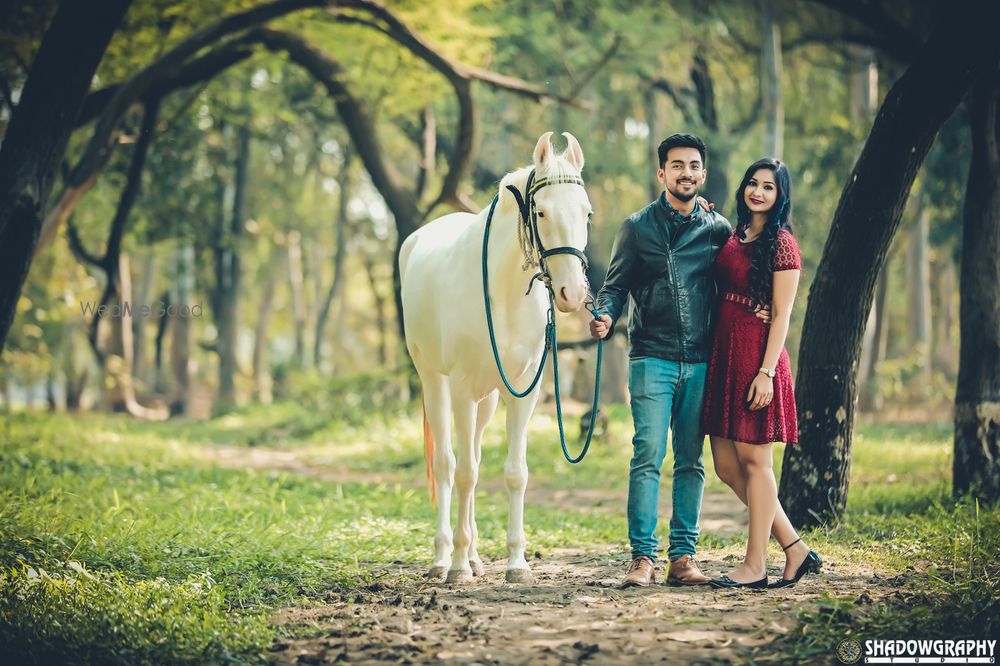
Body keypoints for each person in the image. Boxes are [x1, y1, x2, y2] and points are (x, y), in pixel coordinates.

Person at [591, 134, 738, 588]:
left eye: (694, 166)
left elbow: (740, 276)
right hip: (650, 357)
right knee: (648, 455)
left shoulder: (717, 229)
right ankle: (642, 558)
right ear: (662, 173)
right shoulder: (637, 227)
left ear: (703, 174)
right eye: (677, 165)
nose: (686, 173)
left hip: (701, 360)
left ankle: (683, 558)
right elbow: (615, 286)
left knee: (691, 460)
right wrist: (605, 315)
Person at [701, 158, 822, 589]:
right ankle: (794, 547)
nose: (758, 192)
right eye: (752, 183)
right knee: (726, 465)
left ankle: (755, 566)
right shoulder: (737, 233)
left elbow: (784, 314)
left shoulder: (782, 244)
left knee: (755, 462)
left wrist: (766, 373)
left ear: (780, 195)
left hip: (757, 357)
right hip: (725, 354)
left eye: (768, 187)